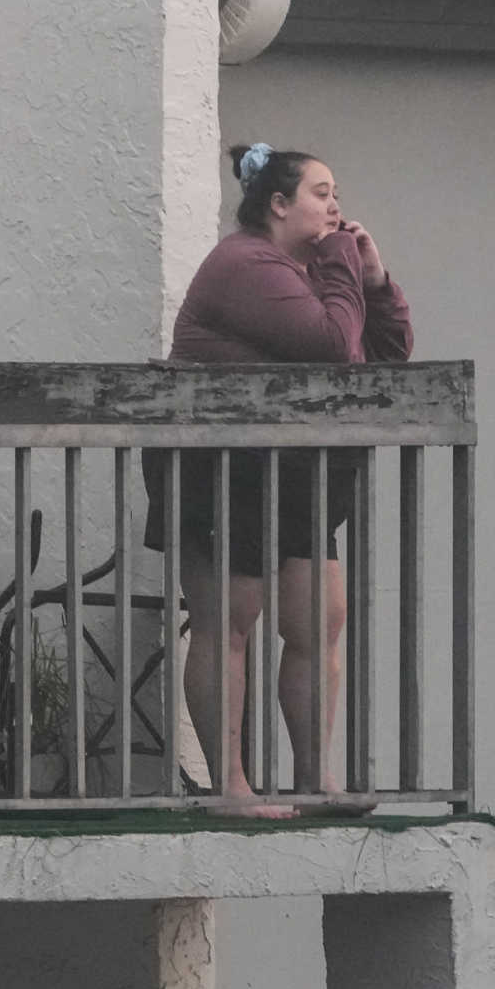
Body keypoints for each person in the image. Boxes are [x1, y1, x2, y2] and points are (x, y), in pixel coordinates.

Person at [153, 142, 410, 810]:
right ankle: (232, 787)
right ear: (277, 204)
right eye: (321, 192)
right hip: (222, 464)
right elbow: (330, 349)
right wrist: (338, 264)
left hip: (291, 468)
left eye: (336, 192)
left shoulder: (301, 271)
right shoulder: (246, 263)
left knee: (318, 617)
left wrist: (376, 284)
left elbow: (380, 357)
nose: (335, 205)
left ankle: (313, 777)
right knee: (230, 620)